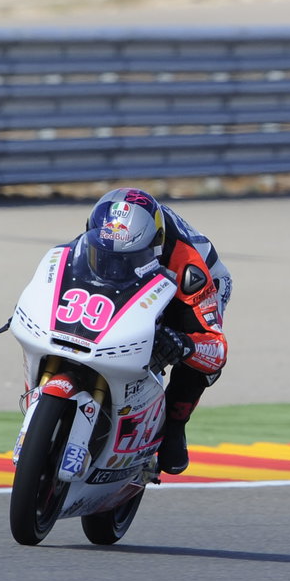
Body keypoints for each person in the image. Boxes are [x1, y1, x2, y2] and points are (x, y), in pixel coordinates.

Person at [84, 187, 231, 475]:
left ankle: (175, 425)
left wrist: (183, 345)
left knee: (195, 357)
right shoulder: (101, 234)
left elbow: (216, 349)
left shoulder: (188, 266)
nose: (115, 267)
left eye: (127, 258)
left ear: (155, 245)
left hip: (195, 286)